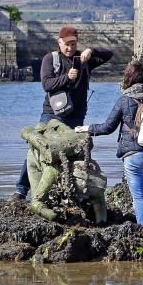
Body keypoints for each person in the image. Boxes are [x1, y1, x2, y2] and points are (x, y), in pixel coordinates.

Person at [77, 60, 143, 243]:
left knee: (139, 197)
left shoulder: (125, 100)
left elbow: (107, 127)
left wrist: (87, 128)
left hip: (133, 156)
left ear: (129, 78)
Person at [13, 26, 112, 200]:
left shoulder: (84, 59)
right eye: (66, 44)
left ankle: (70, 192)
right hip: (52, 114)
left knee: (75, 153)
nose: (70, 48)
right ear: (59, 43)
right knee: (37, 150)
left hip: (76, 117)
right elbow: (46, 84)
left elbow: (109, 54)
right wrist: (67, 77)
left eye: (73, 44)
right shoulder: (50, 59)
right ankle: (21, 189)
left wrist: (91, 50)